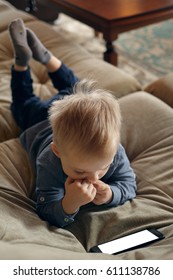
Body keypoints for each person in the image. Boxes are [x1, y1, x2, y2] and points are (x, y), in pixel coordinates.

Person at [8, 18, 137, 228]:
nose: (94, 178)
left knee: (78, 90)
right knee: (22, 105)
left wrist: (111, 194)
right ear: (57, 151)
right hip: (39, 122)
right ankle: (21, 63)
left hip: (67, 107)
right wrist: (69, 203)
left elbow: (129, 184)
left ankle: (47, 58)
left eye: (103, 167)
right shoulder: (49, 162)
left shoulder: (114, 152)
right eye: (80, 172)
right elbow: (46, 208)